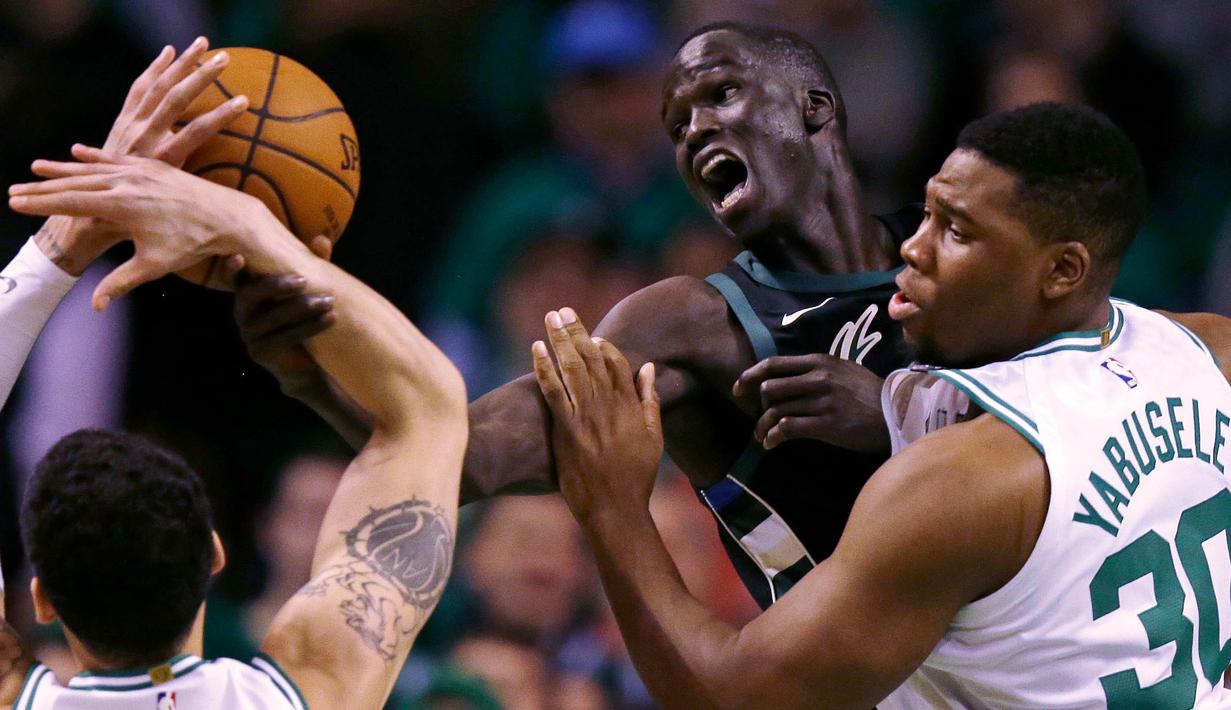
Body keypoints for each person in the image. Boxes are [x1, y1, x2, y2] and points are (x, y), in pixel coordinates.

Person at [530, 102, 1231, 708]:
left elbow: (731, 695)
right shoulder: (1207, 351)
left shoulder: (965, 485)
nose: (912, 248)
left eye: (956, 231)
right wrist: (902, 417)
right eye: (925, 212)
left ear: (1061, 270)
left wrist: (613, 505)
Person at [233, 21, 925, 609]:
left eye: (723, 94)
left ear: (814, 107)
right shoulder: (684, 325)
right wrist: (315, 375)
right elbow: (461, 458)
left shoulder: (951, 261)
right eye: (676, 125)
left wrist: (897, 415)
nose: (695, 130)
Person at [3, 42, 467, 709]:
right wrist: (247, 226)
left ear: (41, 597)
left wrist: (64, 241)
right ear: (214, 557)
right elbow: (428, 408)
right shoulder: (309, 687)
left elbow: (427, 410)